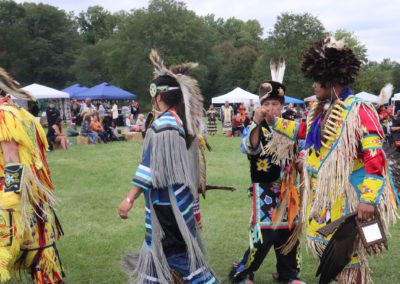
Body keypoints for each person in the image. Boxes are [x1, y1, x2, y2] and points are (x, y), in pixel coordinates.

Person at [263, 37, 398, 283]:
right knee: (329, 257)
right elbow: (304, 131)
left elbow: (375, 158)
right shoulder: (321, 109)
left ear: (330, 79)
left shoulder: (360, 110)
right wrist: (274, 122)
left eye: (317, 80)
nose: (314, 86)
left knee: (347, 259)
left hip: (348, 198)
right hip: (322, 199)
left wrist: (368, 200)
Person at [118, 50, 217, 284]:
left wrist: (129, 198)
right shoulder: (183, 124)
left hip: (167, 209)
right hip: (177, 204)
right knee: (154, 261)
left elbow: (150, 168)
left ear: (157, 97)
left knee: (183, 262)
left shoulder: (162, 126)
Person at [230, 59, 302, 284]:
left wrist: (301, 161)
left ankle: (288, 275)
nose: (271, 108)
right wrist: (257, 123)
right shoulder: (255, 127)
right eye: (267, 104)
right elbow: (249, 148)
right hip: (264, 192)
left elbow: (302, 150)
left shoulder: (289, 126)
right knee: (264, 235)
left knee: (288, 233)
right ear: (261, 105)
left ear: (282, 106)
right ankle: (244, 272)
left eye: (276, 104)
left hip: (289, 191)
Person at [0, 68, 64, 282]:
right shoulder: (23, 113)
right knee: (40, 254)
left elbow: (11, 159)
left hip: (13, 196)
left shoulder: (3, 115)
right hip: (34, 193)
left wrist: (11, 197)